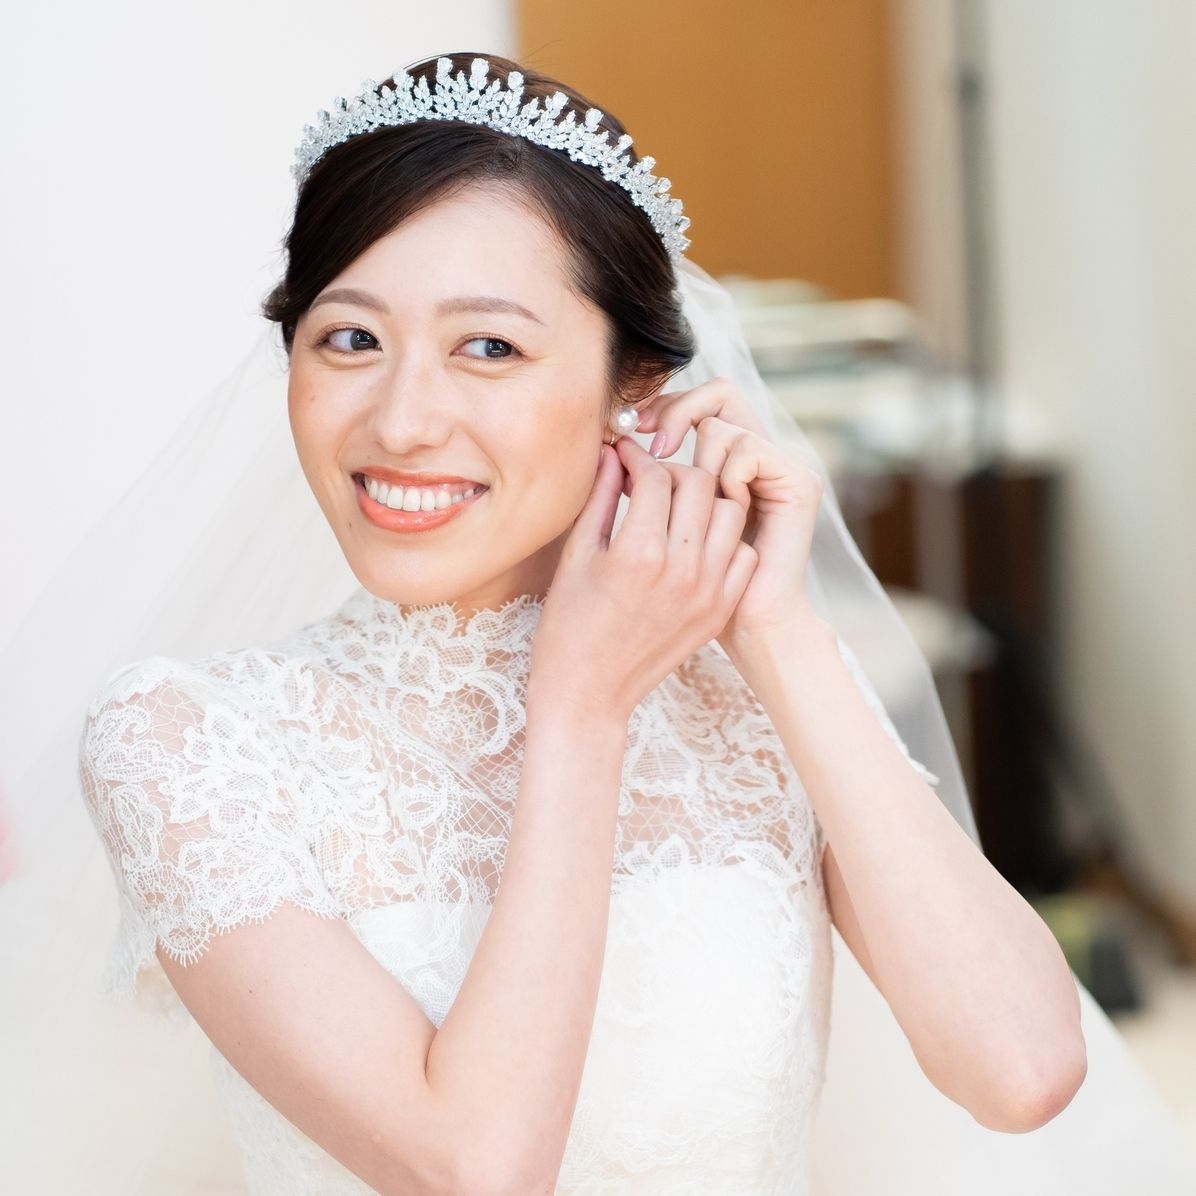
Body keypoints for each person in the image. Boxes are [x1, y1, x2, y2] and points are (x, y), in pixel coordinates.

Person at [4, 49, 1194, 1196]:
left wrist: (775, 629)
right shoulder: (184, 740)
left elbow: (1020, 1069)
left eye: (488, 346)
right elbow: (475, 1168)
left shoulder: (751, 690)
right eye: (349, 338)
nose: (401, 420)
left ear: (634, 390)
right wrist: (577, 704)